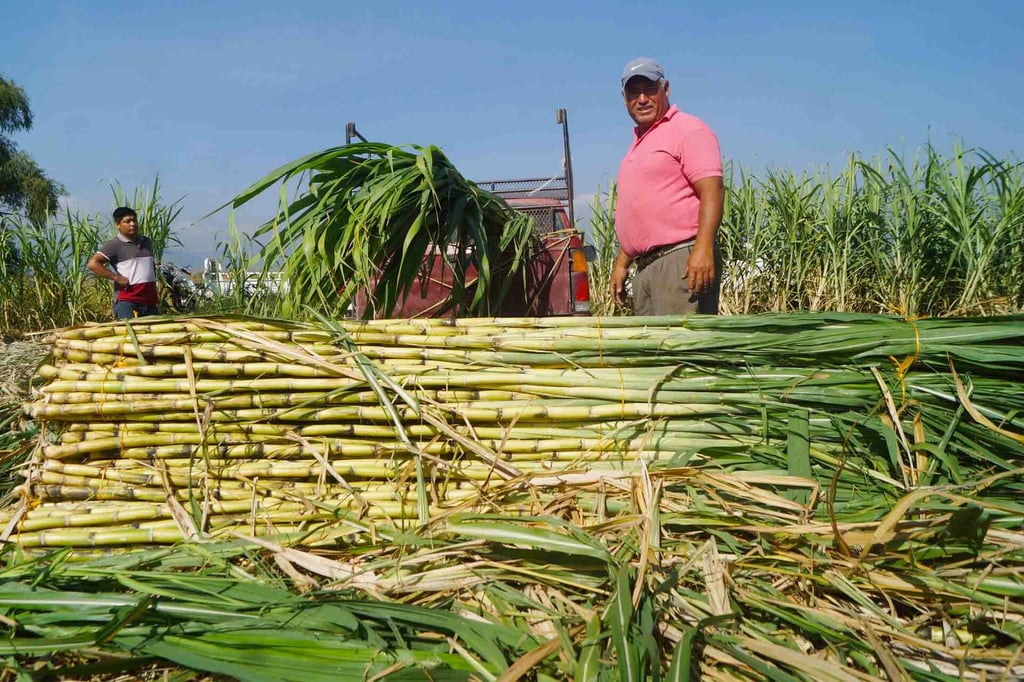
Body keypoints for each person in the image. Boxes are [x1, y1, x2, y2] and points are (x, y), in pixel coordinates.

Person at [611, 57, 725, 315]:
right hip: (647, 268)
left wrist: (703, 248)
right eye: (633, 93)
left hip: (679, 262)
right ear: (624, 98)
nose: (642, 99)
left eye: (650, 89)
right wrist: (622, 263)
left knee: (680, 351)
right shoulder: (640, 143)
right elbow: (643, 211)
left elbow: (712, 190)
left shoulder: (687, 130)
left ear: (666, 89)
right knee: (654, 353)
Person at [87, 207, 160, 319]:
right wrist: (117, 278)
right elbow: (93, 263)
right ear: (118, 224)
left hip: (149, 301)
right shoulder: (114, 245)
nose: (133, 224)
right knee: (129, 335)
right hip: (128, 301)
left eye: (134, 220)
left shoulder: (146, 242)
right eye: (127, 221)